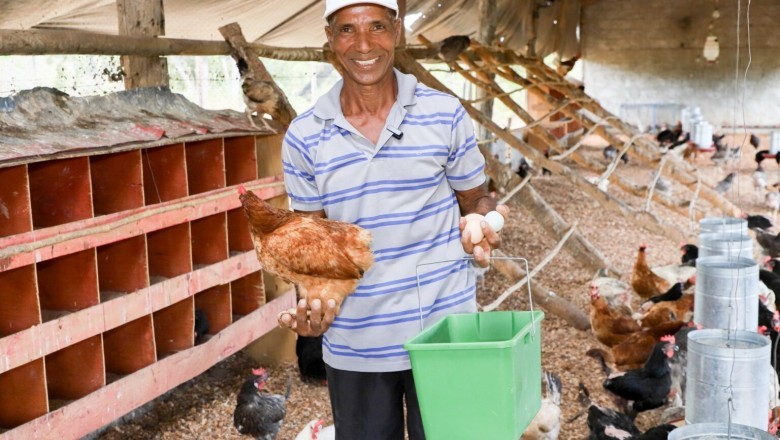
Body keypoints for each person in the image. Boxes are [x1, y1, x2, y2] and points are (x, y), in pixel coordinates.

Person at [277, 1, 509, 438]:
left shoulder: (444, 113)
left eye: (377, 27)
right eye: (347, 29)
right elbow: (311, 245)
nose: (363, 44)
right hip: (357, 342)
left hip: (445, 336)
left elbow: (477, 199)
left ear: (397, 32)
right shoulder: (305, 135)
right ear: (329, 38)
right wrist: (312, 304)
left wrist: (483, 223)